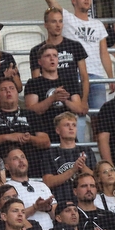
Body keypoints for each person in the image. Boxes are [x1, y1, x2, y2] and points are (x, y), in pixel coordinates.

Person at [35, 0, 113, 111]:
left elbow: (104, 53)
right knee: (73, 114)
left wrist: (110, 77)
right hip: (72, 76)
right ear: (73, 0)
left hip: (96, 76)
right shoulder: (67, 18)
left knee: (100, 117)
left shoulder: (98, 24)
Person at [28, 8, 90, 136]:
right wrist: (51, 97)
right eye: (54, 21)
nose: (58, 25)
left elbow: (84, 76)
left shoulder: (75, 46)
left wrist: (83, 101)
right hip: (46, 111)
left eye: (60, 21)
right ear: (46, 24)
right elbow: (36, 79)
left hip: (71, 93)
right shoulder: (36, 51)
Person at [0, 77, 50, 175]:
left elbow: (46, 142)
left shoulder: (31, 114)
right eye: (3, 89)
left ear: (17, 93)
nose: (8, 92)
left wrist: (29, 138)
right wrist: (7, 137)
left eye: (12, 88)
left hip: (31, 168)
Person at [24, 45, 87, 145]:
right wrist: (52, 98)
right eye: (47, 56)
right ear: (40, 62)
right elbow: (31, 111)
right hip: (44, 135)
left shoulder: (69, 81)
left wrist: (64, 100)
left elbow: (79, 109)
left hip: (67, 136)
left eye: (55, 55)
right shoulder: (33, 83)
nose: (52, 58)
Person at [42, 112, 95, 203]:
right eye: (67, 125)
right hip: (60, 203)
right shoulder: (49, 154)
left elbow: (97, 179)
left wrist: (83, 167)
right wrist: (73, 170)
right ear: (58, 130)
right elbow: (48, 182)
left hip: (85, 202)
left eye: (74, 125)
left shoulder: (87, 151)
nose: (71, 128)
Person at [3, 147, 55, 230]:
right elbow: (9, 217)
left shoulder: (42, 185)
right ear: (7, 166)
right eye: (15, 159)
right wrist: (35, 208)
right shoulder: (6, 188)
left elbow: (57, 215)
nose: (21, 161)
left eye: (23, 157)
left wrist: (49, 208)